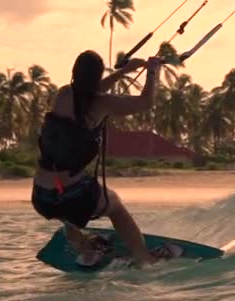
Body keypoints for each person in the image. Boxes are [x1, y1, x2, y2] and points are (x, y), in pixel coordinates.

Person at [31, 50, 177, 267]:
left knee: (68, 214)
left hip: (42, 197)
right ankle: (142, 256)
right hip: (72, 195)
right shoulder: (102, 104)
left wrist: (124, 72)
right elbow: (145, 103)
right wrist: (153, 71)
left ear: (74, 72)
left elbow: (89, 91)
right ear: (97, 76)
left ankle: (85, 249)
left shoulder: (63, 94)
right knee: (115, 205)